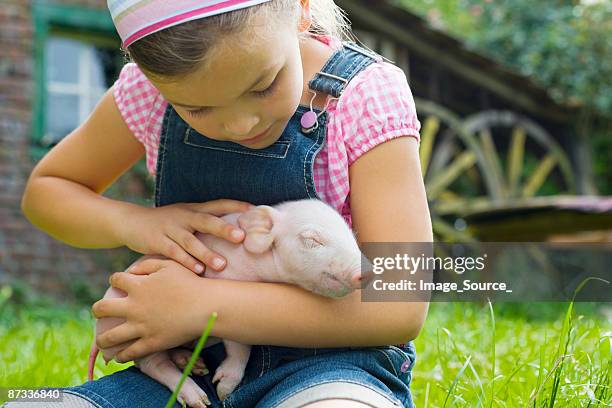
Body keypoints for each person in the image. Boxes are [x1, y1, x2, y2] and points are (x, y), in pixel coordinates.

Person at [18, 0, 432, 407]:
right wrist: (135, 223)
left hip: (333, 368)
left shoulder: (363, 95)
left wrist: (200, 306)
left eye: (262, 85)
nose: (239, 125)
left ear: (302, 8)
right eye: (196, 108)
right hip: (192, 368)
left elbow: (401, 300)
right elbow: (49, 190)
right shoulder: (148, 93)